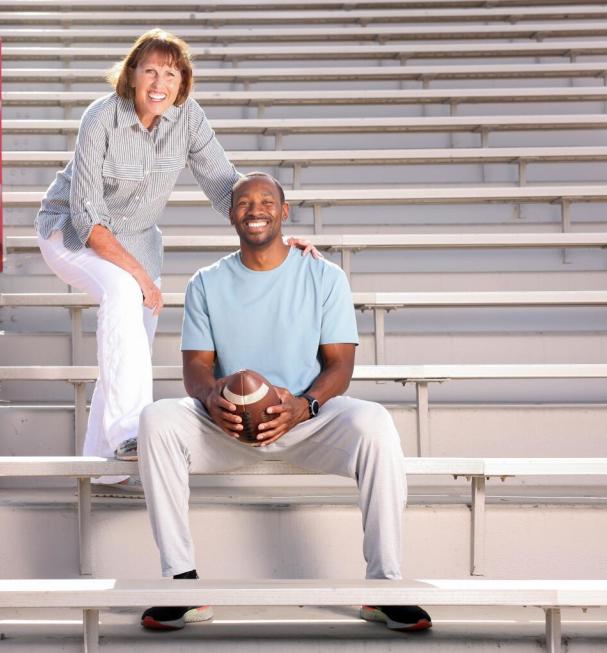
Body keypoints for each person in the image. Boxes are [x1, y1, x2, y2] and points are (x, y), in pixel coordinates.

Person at [136, 172, 432, 632]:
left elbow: (340, 366)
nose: (255, 210)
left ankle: (384, 586)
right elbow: (196, 365)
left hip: (306, 420)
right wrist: (210, 395)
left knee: (375, 422)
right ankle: (181, 583)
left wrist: (305, 406)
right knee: (157, 418)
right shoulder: (206, 282)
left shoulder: (324, 276)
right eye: (244, 203)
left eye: (266, 201)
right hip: (228, 425)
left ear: (284, 211)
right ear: (231, 214)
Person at [35, 30, 316, 483]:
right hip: (70, 233)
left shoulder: (188, 119)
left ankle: (102, 468)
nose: (159, 82)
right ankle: (131, 431)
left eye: (170, 73)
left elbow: (227, 185)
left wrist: (279, 233)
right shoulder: (100, 118)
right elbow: (87, 220)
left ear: (182, 82)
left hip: (139, 244)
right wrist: (141, 279)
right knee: (125, 294)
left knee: (130, 346)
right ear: (131, 75)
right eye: (150, 70)